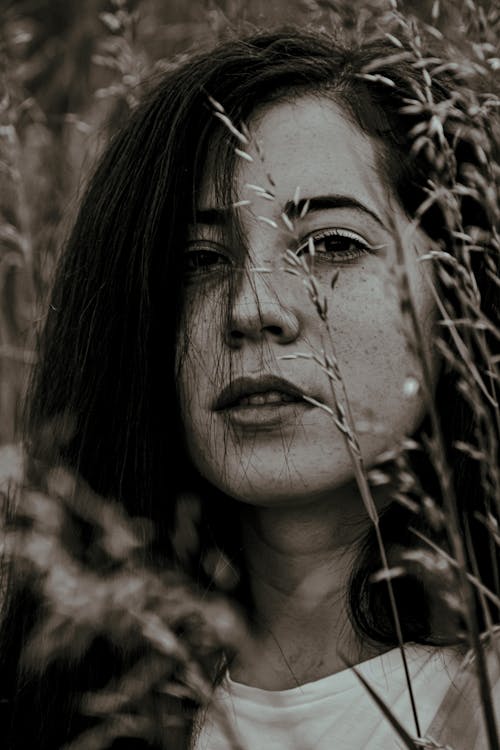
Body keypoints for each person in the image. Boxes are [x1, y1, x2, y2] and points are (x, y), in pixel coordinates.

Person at [0, 24, 499, 750]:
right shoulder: (51, 705)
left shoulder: (482, 700)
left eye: (333, 245)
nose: (252, 308)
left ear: (459, 295)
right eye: (199, 260)